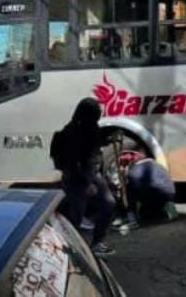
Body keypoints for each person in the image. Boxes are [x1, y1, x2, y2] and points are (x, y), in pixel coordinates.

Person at [54, 98, 117, 256]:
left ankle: (96, 243)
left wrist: (109, 138)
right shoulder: (72, 132)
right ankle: (70, 251)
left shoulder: (90, 128)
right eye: (96, 111)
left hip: (91, 175)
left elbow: (93, 145)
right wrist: (86, 183)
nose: (99, 113)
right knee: (76, 217)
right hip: (77, 178)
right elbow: (73, 162)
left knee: (108, 205)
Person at [118, 150, 177, 226]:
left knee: (145, 214)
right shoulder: (157, 164)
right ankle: (170, 209)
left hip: (156, 196)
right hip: (170, 193)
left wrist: (130, 211)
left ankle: (133, 218)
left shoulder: (133, 173)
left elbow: (132, 196)